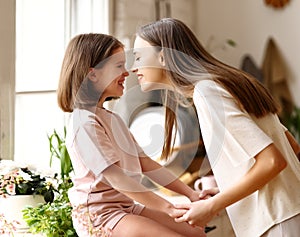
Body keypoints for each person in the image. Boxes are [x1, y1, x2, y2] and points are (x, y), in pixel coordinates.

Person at [131, 18, 300, 237]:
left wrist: (213, 206)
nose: (134, 67)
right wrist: (225, 189)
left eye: (138, 57)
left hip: (276, 221)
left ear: (162, 58)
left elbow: (272, 160)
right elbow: (291, 145)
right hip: (288, 211)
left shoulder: (207, 93)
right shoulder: (224, 82)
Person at [57, 33, 206, 237]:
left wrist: (191, 194)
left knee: (195, 232)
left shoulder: (113, 119)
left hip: (125, 207)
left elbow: (147, 165)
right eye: (119, 66)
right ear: (93, 74)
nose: (127, 73)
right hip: (101, 216)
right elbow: (117, 179)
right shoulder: (84, 123)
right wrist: (168, 207)